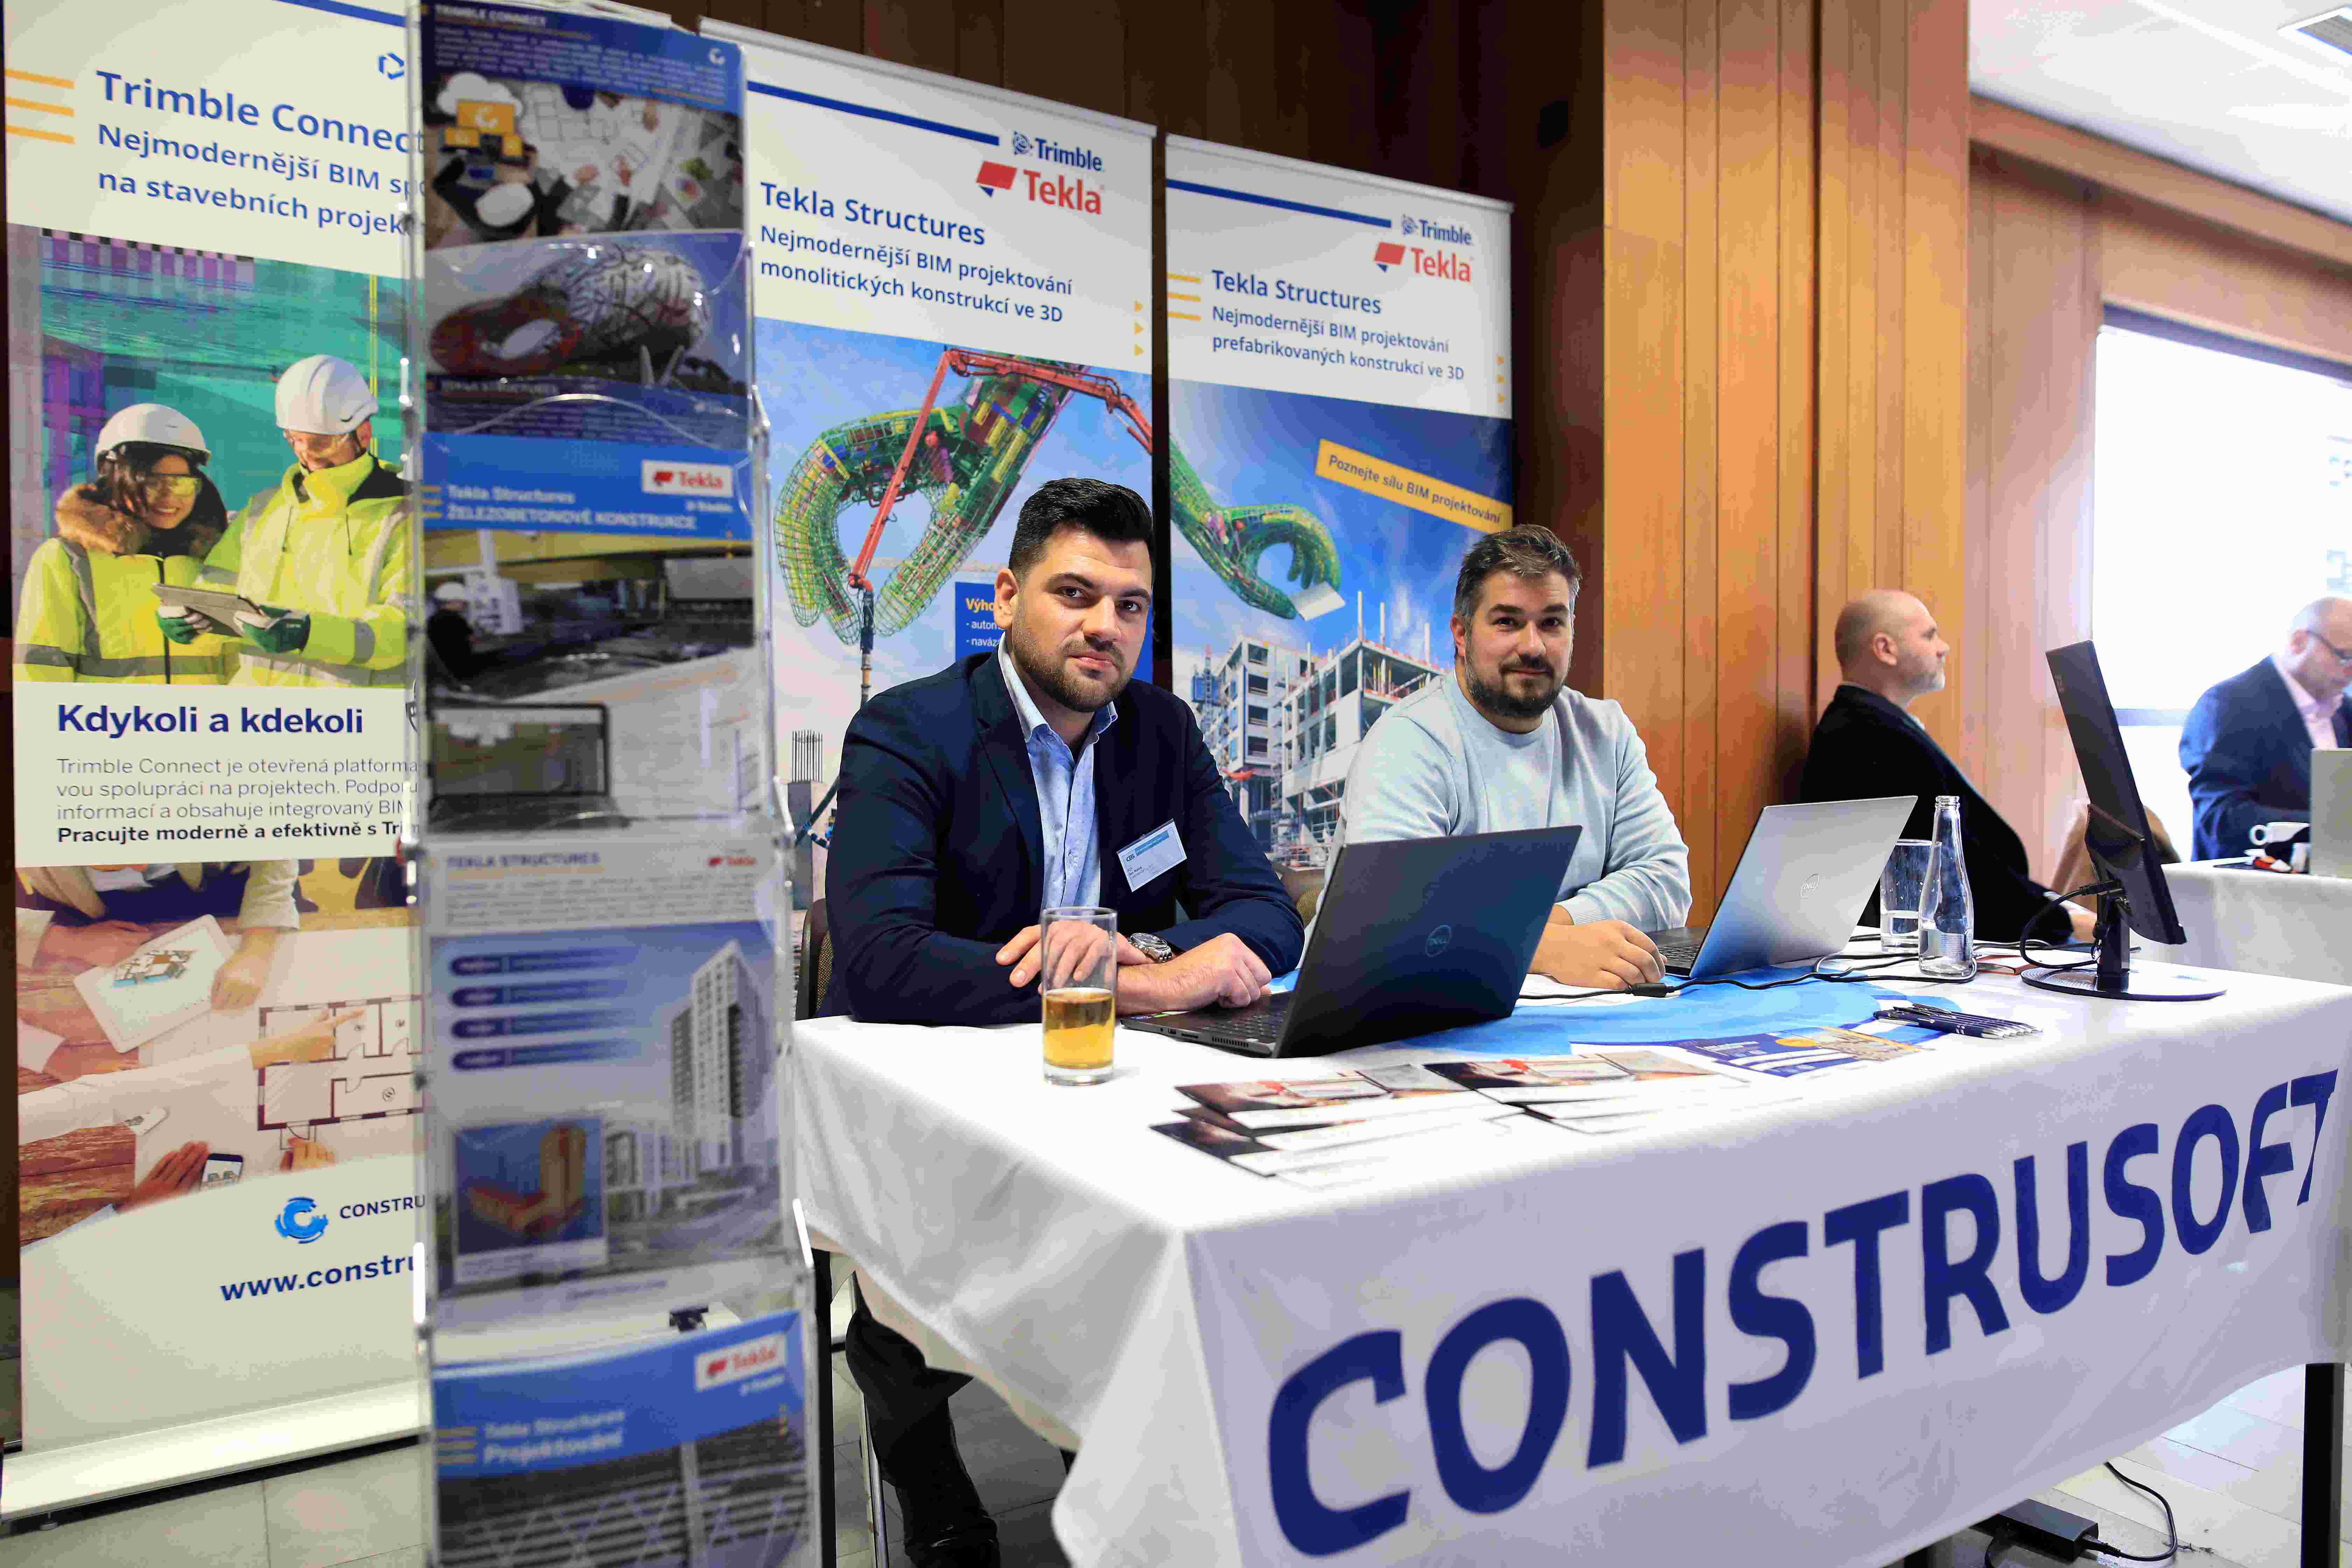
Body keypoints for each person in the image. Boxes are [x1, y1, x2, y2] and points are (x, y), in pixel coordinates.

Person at [824, 477, 1305, 1568]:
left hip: (1115, 1090)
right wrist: (1143, 985)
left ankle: (1112, 1456)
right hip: (949, 1088)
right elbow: (882, 957)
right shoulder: (908, 730)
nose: (1105, 625)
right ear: (1007, 597)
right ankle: (932, 1480)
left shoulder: (1162, 732)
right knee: (910, 1306)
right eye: (1075, 593)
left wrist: (1154, 960)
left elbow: (1265, 913)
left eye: (1130, 605)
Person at [1336, 526, 1692, 990]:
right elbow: (1389, 919)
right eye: (1507, 622)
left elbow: (1665, 880)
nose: (1533, 646)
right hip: (1387, 1006)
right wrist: (1540, 948)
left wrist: (1556, 927)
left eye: (1552, 623)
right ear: (1461, 633)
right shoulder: (1405, 742)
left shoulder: (1607, 732)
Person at [1800, 591, 2092, 943]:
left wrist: (2051, 906)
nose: (1944, 648)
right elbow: (1947, 866)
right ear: (1885, 649)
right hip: (1932, 944)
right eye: (1929, 636)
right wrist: (2061, 921)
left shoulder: (1872, 724)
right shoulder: (1869, 735)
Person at [159, 356, 413, 688]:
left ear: (363, 435)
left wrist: (310, 634)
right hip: (261, 713)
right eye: (294, 439)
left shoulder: (404, 516)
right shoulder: (263, 509)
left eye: (320, 442)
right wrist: (193, 615)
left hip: (350, 715)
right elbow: (218, 587)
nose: (306, 453)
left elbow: (405, 631)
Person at [16, 404, 234, 685]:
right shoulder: (69, 559)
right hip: (106, 715)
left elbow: (241, 663)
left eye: (182, 484)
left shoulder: (219, 557)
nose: (169, 497)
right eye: (151, 483)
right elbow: (41, 669)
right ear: (113, 478)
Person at [2179, 597, 2352, 860]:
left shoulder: (2343, 709)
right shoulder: (2228, 704)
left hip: (2331, 878)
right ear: (2299, 642)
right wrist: (2333, 828)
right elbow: (2223, 817)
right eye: (2345, 656)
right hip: (2252, 880)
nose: (2350, 671)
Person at [18, 859, 301, 1009]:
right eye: (115, 859)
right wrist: (61, 940)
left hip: (220, 887)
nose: (145, 868)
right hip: (79, 912)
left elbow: (274, 846)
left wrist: (257, 950)